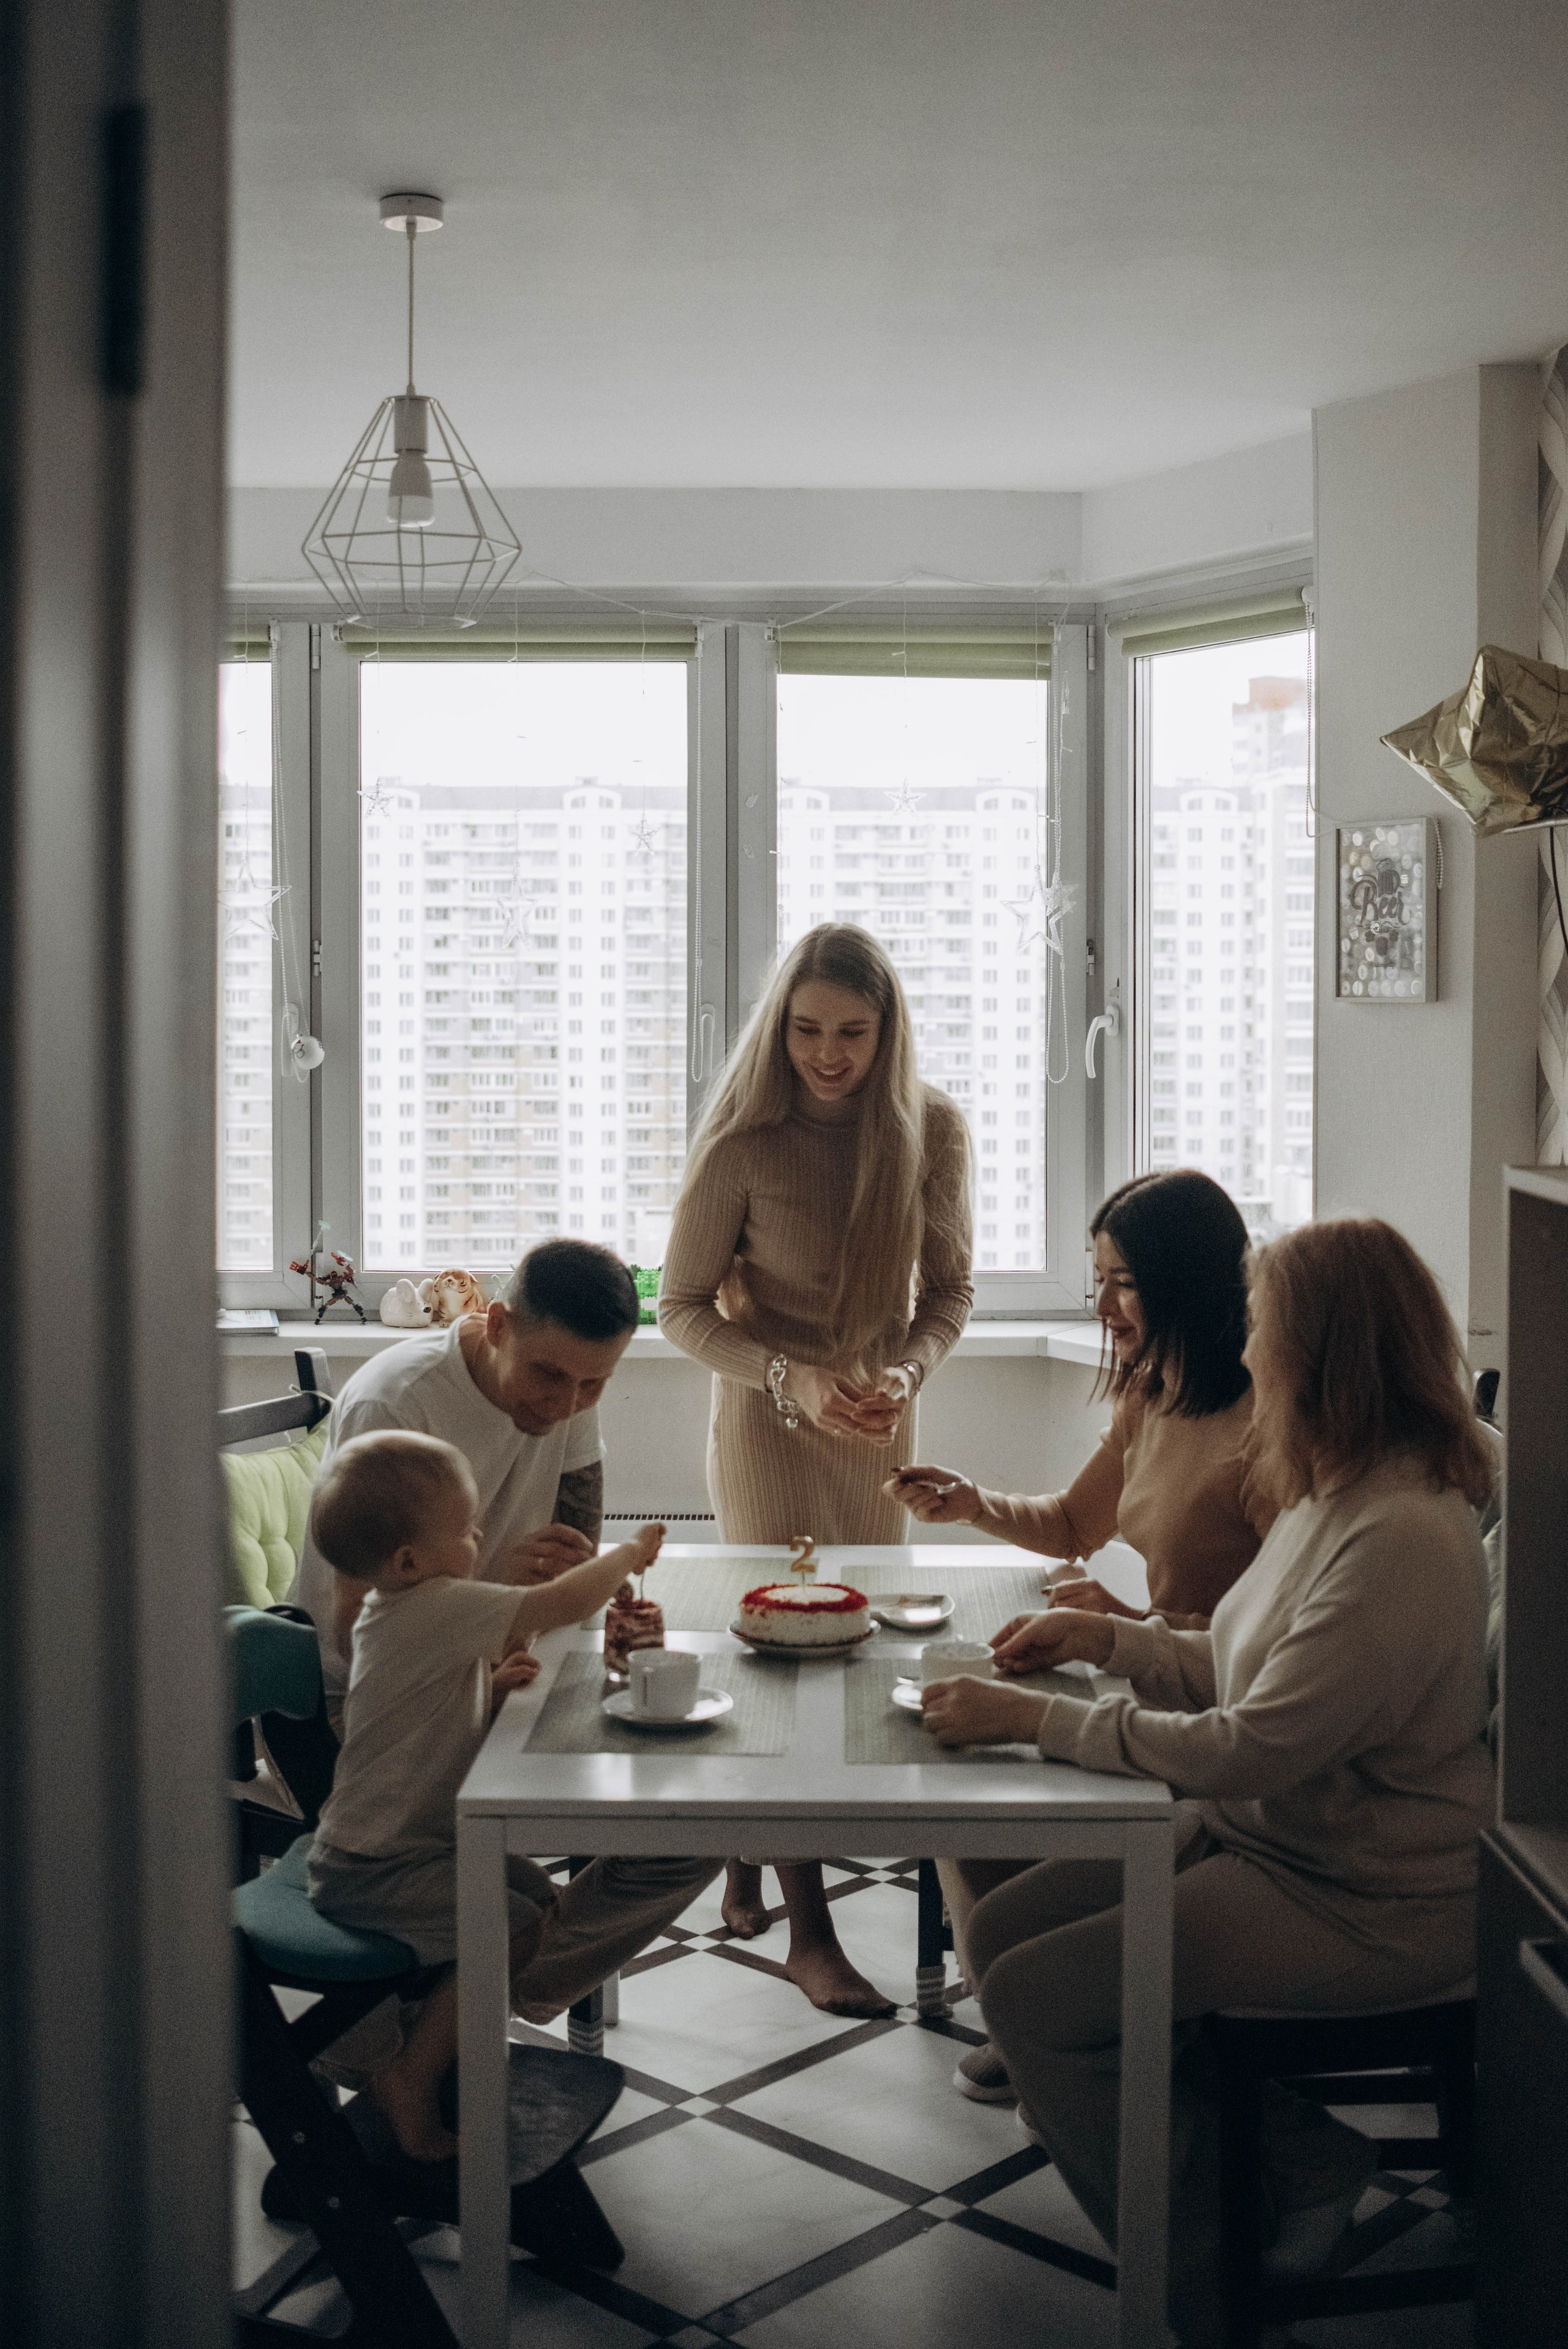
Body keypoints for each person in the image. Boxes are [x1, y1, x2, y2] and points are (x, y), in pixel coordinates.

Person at [919, 1216, 1495, 2343]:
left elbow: (1253, 1745)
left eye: (1264, 1329)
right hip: (1272, 1839)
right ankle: (1306, 2159)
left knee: (1035, 2000)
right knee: (1001, 1938)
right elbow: (1243, 1664)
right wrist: (1111, 1643)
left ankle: (1200, 2283)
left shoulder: (1399, 1536)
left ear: (1317, 1355)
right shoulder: (1332, 1488)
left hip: (1364, 1893)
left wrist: (1043, 1721)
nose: (1249, 1351)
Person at [891, 1168, 1272, 2099]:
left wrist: (1127, 1625)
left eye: (1124, 1283)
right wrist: (973, 1502)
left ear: (1189, 1281)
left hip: (1218, 1712)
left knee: (978, 1787)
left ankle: (1059, 2032)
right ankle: (1037, 2025)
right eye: (1097, 1279)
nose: (1101, 1306)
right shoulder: (1153, 1392)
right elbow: (1071, 1523)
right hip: (1150, 1674)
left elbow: (1275, 1639)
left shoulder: (1267, 1425)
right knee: (954, 1785)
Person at [660, 922, 973, 2014]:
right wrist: (787, 1375)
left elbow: (949, 1293)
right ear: (777, 1027)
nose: (827, 1055)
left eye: (851, 1032)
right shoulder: (742, 1140)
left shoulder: (934, 1130)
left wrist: (908, 1370)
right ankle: (812, 1932)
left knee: (850, 1645)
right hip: (767, 1421)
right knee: (781, 1652)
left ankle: (751, 1856)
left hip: (875, 1424)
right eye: (805, 1030)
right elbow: (681, 1308)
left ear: (888, 1032)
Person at [290, 1237, 718, 2032]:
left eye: (595, 1382)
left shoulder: (569, 1392)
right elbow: (361, 1621)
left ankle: (473, 2001)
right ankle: (453, 2017)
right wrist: (511, 1596)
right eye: (549, 1375)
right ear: (497, 1325)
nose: (565, 1403)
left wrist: (546, 1589)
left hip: (491, 1665)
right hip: (368, 1704)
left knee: (696, 1821)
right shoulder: (398, 1404)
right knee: (668, 1825)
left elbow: (577, 1534)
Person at [305, 1428, 676, 2161]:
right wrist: (629, 1553)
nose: (479, 1538)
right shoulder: (434, 1602)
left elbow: (423, 1709)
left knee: (534, 1897)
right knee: (510, 1925)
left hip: (398, 1848)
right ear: (409, 1559)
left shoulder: (398, 1609)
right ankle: (411, 2074)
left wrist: (487, 1685)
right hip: (375, 1866)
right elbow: (560, 1600)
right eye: (466, 1529)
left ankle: (441, 2038)